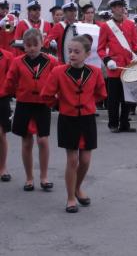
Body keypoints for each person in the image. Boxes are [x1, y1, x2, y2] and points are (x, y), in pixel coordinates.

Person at [41, 35, 107, 213]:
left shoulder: (95, 72)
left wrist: (88, 104)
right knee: (72, 160)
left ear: (86, 54)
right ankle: (70, 197)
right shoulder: (58, 72)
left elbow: (101, 93)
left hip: (87, 119)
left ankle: (78, 188)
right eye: (70, 51)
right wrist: (59, 104)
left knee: (85, 160)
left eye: (77, 52)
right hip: (68, 119)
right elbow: (46, 95)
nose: (72, 55)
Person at [1, 28, 58, 192]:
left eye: (35, 44)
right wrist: (5, 93)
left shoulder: (51, 61)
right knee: (26, 141)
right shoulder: (18, 61)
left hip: (42, 104)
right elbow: (9, 81)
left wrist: (57, 99)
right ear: (24, 46)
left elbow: (58, 81)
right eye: (28, 45)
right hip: (24, 104)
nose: (32, 48)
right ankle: (29, 178)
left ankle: (44, 176)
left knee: (43, 140)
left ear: (42, 44)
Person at [98, 0, 137, 133]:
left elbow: (134, 45)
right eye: (118, 6)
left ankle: (125, 123)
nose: (121, 8)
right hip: (114, 68)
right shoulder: (106, 26)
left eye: (122, 6)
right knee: (113, 99)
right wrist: (107, 61)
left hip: (128, 67)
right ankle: (113, 124)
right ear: (112, 8)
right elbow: (100, 48)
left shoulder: (130, 24)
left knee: (127, 97)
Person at [0, 45, 14, 182]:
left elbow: (12, 77)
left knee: (1, 134)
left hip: (1, 99)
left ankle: (2, 167)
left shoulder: (8, 56)